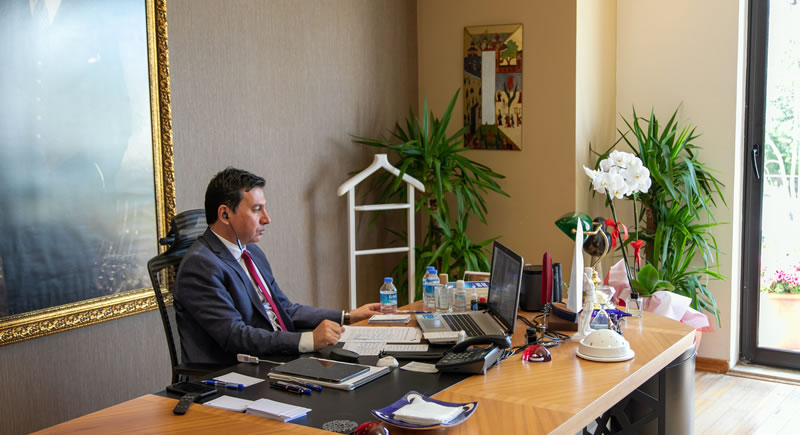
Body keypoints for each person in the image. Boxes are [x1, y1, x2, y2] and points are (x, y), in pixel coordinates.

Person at [174, 168, 382, 364]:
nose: (267, 219)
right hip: (237, 371)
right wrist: (308, 340)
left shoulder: (251, 252)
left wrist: (348, 316)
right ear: (225, 214)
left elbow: (285, 310)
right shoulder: (200, 265)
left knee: (370, 366)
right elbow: (235, 336)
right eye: (257, 210)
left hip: (277, 356)